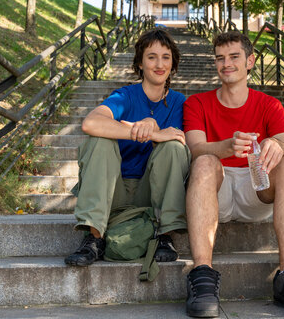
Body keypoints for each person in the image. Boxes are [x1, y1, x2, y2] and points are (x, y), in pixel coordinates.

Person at [182, 31, 284, 318]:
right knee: (204, 162)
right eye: (220, 58)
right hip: (215, 190)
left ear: (250, 61)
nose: (226, 64)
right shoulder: (196, 103)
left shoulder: (269, 105)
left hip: (255, 189)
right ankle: (202, 274)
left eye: (234, 57)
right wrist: (225, 147)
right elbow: (195, 149)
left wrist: (279, 145)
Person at [64, 29, 190, 267]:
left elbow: (188, 147)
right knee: (98, 140)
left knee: (174, 147)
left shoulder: (180, 103)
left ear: (173, 63)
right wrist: (147, 132)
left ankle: (165, 235)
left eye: (165, 57)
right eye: (151, 57)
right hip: (113, 188)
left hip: (151, 190)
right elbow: (91, 123)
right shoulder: (125, 96)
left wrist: (156, 136)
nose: (159, 64)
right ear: (140, 63)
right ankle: (94, 238)